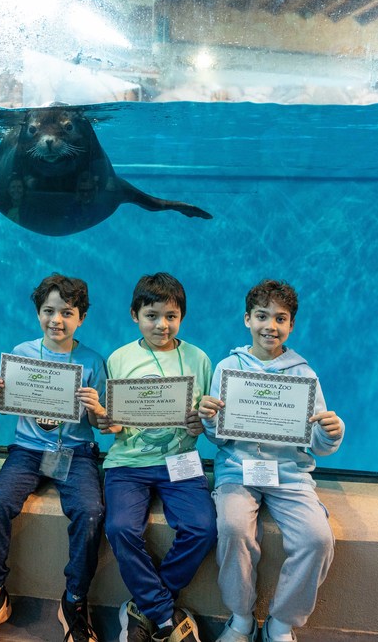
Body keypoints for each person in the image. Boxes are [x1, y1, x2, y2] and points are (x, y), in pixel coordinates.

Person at [197, 280, 345, 642]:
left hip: (291, 476)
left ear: (291, 325)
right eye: (262, 316)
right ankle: (241, 617)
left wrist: (331, 431)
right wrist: (209, 418)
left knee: (317, 538)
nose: (271, 326)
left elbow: (320, 446)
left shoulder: (304, 375)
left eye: (281, 319)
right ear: (247, 319)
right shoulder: (227, 368)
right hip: (237, 470)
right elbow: (219, 438)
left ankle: (281, 623)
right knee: (233, 529)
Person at [0, 274, 108, 642]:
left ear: (82, 318)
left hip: (75, 453)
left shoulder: (92, 361)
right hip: (28, 450)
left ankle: (74, 599)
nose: (56, 320)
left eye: (67, 312)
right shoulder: (23, 353)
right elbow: (6, 406)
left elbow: (102, 423)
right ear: (37, 313)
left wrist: (96, 409)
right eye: (48, 311)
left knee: (91, 512)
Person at [98, 272, 216, 642]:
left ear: (181, 316)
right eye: (152, 315)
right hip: (127, 465)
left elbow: (208, 421)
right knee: (120, 528)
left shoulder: (199, 359)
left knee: (203, 528)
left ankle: (144, 605)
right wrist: (106, 422)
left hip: (180, 461)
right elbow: (110, 422)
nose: (161, 324)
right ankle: (165, 614)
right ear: (135, 314)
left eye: (171, 315)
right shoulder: (119, 358)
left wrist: (202, 426)